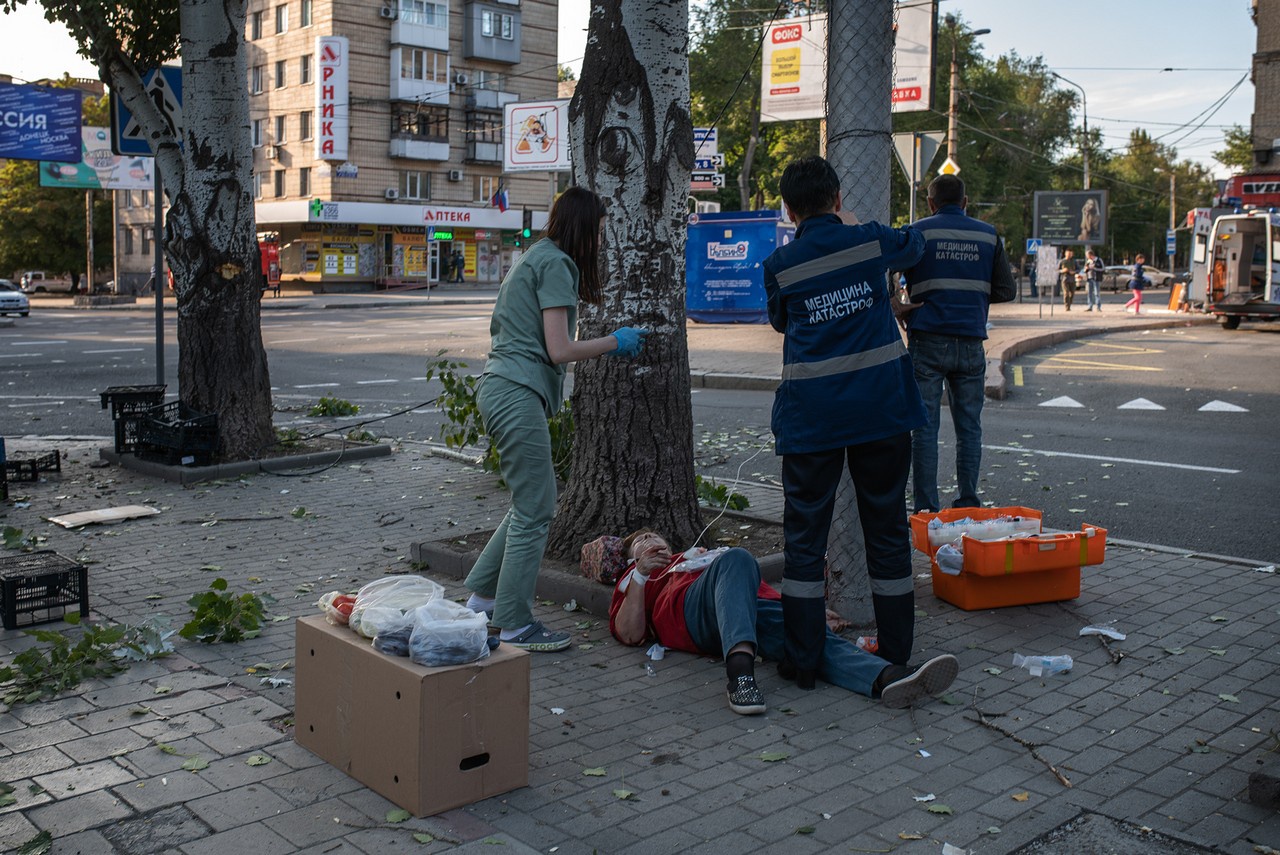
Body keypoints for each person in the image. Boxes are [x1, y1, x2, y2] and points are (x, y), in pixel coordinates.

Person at [762, 156, 927, 687]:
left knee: (805, 541)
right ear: (837, 199)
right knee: (886, 530)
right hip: (882, 412)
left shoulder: (780, 265)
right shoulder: (871, 241)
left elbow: (781, 319)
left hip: (813, 420)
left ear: (788, 211)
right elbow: (915, 246)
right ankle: (897, 652)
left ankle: (803, 661)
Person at [463, 187, 648, 651]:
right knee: (538, 508)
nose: (602, 242)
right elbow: (559, 350)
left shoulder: (536, 255)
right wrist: (614, 342)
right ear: (584, 227)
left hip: (503, 388)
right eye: (601, 231)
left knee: (530, 503)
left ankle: (483, 598)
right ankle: (514, 624)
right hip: (516, 392)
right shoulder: (558, 264)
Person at [609, 530, 959, 715]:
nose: (652, 540)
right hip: (693, 616)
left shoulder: (694, 559)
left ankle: (886, 677)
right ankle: (740, 676)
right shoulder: (637, 578)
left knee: (804, 633)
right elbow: (629, 632)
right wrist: (639, 575)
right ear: (631, 556)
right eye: (641, 540)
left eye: (656, 536)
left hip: (745, 615)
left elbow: (760, 593)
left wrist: (809, 614)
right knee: (738, 558)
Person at [901, 174, 1015, 516]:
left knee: (924, 429)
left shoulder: (918, 231)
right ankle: (968, 503)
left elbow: (885, 270)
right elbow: (1006, 290)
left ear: (931, 203)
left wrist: (898, 302)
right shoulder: (988, 234)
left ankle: (926, 510)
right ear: (965, 202)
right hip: (970, 343)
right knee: (969, 429)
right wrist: (974, 295)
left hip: (927, 340)